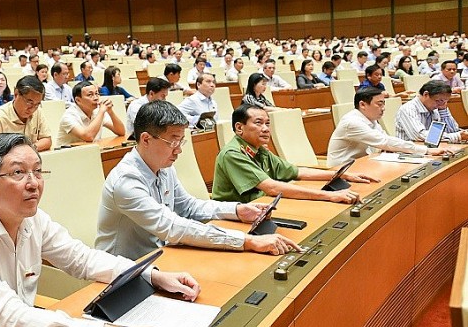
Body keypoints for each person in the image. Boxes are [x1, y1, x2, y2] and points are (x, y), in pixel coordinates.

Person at [0, 133, 201, 327]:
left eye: (37, 171)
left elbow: (82, 259)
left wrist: (151, 275)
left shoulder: (33, 219)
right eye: (18, 173)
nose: (33, 183)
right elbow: (10, 318)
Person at [96, 100, 299, 260]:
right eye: (173, 141)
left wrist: (236, 210)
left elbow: (189, 207)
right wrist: (247, 241)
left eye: (180, 140)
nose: (179, 149)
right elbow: (172, 226)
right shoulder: (127, 180)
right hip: (124, 272)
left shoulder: (164, 167)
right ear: (146, 139)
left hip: (162, 258)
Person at [212, 104, 377, 204]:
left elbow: (296, 171)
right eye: (258, 123)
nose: (266, 129)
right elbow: (271, 187)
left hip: (260, 207)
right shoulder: (233, 154)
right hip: (233, 217)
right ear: (239, 128)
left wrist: (340, 175)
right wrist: (328, 195)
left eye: (267, 123)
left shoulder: (259, 149)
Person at [327, 88, 450, 166]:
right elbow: (385, 142)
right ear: (363, 104)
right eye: (379, 104)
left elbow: (385, 139)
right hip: (342, 170)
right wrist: (426, 150)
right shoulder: (352, 122)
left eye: (384, 104)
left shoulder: (371, 119)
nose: (383, 108)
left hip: (361, 164)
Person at [0, 75, 52, 151]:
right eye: (29, 103)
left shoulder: (38, 111)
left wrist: (29, 149)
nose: (32, 109)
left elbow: (47, 140)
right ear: (16, 94)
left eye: (37, 104)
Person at [395, 80, 468, 144]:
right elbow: (419, 136)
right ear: (426, 94)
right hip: (409, 153)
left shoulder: (437, 107)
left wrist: (443, 110)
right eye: (439, 100)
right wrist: (456, 136)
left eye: (445, 101)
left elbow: (453, 131)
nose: (442, 104)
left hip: (432, 149)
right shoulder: (408, 109)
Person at [57, 81, 125, 146]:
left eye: (97, 94)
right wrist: (101, 112)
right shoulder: (69, 116)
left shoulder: (98, 110)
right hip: (69, 155)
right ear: (78, 100)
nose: (96, 98)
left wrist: (110, 112)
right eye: (90, 95)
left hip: (91, 152)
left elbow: (121, 132)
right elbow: (88, 136)